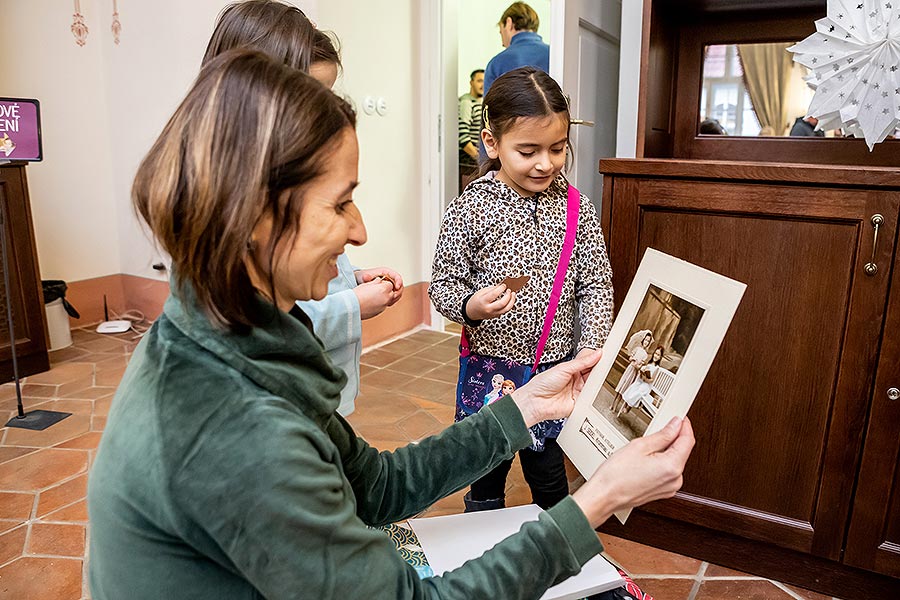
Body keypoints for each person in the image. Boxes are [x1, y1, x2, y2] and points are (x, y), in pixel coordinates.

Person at [88, 50, 695, 600]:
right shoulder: (239, 434)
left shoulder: (240, 338)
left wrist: (524, 408)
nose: (360, 231)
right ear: (254, 218)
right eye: (339, 202)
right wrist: (599, 499)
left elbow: (375, 486)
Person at [202, 0, 403, 416]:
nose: (357, 232)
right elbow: (267, 325)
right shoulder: (227, 223)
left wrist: (350, 278)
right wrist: (353, 304)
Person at [429, 66, 615, 513]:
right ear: (492, 143)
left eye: (557, 149)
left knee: (549, 474)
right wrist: (470, 305)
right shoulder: (470, 208)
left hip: (553, 368)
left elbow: (596, 281)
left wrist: (591, 346)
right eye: (528, 150)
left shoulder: (576, 207)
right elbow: (442, 284)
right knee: (486, 468)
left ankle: (557, 544)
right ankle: (481, 540)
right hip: (488, 368)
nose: (545, 163)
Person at [483, 3, 550, 97]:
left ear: (509, 23)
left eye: (501, 32)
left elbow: (489, 109)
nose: (502, 44)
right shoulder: (554, 55)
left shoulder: (497, 63)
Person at [611, 330, 653, 415]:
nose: (646, 342)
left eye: (648, 341)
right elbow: (630, 357)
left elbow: (641, 365)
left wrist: (639, 365)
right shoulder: (637, 349)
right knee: (621, 385)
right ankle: (613, 403)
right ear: (643, 340)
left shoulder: (645, 355)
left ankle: (616, 406)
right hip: (630, 369)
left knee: (624, 389)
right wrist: (633, 359)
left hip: (634, 373)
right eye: (645, 340)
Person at [619, 346, 664, 417]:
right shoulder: (649, 364)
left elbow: (652, 380)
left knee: (640, 390)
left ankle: (628, 408)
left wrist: (645, 379)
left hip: (647, 385)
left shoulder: (657, 368)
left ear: (660, 357)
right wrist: (642, 372)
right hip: (641, 381)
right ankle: (627, 404)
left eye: (658, 355)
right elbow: (642, 373)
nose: (656, 356)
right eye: (655, 353)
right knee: (634, 386)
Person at [459, 68, 484, 193]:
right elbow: (462, 136)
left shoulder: (480, 103)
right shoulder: (466, 102)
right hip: (468, 157)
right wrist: (480, 159)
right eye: (479, 81)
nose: (482, 85)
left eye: (484, 81)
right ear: (471, 82)